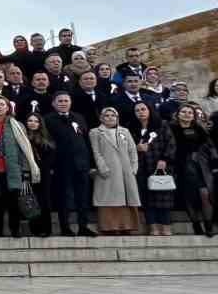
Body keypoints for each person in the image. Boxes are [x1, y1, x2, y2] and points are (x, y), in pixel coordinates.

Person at [0, 96, 40, 239]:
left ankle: (15, 230)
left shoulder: (17, 125)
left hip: (13, 169)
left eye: (1, 104)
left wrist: (25, 169)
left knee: (13, 202)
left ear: (8, 107)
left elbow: (24, 149)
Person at [44, 93, 95, 237]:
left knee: (82, 197)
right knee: (64, 197)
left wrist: (90, 163)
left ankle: (83, 226)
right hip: (61, 164)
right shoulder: (47, 119)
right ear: (53, 103)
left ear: (71, 102)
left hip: (81, 163)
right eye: (59, 101)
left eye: (66, 100)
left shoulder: (78, 117)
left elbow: (86, 140)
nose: (63, 103)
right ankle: (65, 227)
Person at [90, 107, 142, 235]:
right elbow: (96, 152)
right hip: (107, 171)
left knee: (126, 198)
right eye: (106, 115)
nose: (110, 117)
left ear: (117, 118)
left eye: (113, 115)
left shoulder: (125, 131)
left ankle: (126, 227)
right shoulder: (95, 132)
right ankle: (110, 227)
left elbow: (132, 151)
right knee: (108, 198)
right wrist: (102, 168)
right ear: (101, 118)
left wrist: (133, 168)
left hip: (126, 171)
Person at [168, 104, 214, 236]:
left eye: (190, 112)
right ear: (178, 114)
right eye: (184, 112)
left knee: (205, 194)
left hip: (198, 166)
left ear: (193, 116)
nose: (187, 114)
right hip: (179, 166)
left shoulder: (198, 129)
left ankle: (208, 224)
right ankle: (196, 225)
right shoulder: (171, 128)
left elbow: (209, 146)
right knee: (188, 197)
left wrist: (199, 154)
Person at [132, 101, 177, 236]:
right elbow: (127, 147)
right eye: (137, 110)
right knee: (147, 198)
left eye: (143, 109)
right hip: (141, 167)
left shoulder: (162, 125)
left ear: (150, 110)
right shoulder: (132, 128)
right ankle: (153, 226)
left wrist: (165, 159)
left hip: (160, 166)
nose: (141, 112)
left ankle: (165, 225)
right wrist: (136, 148)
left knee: (163, 197)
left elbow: (171, 143)